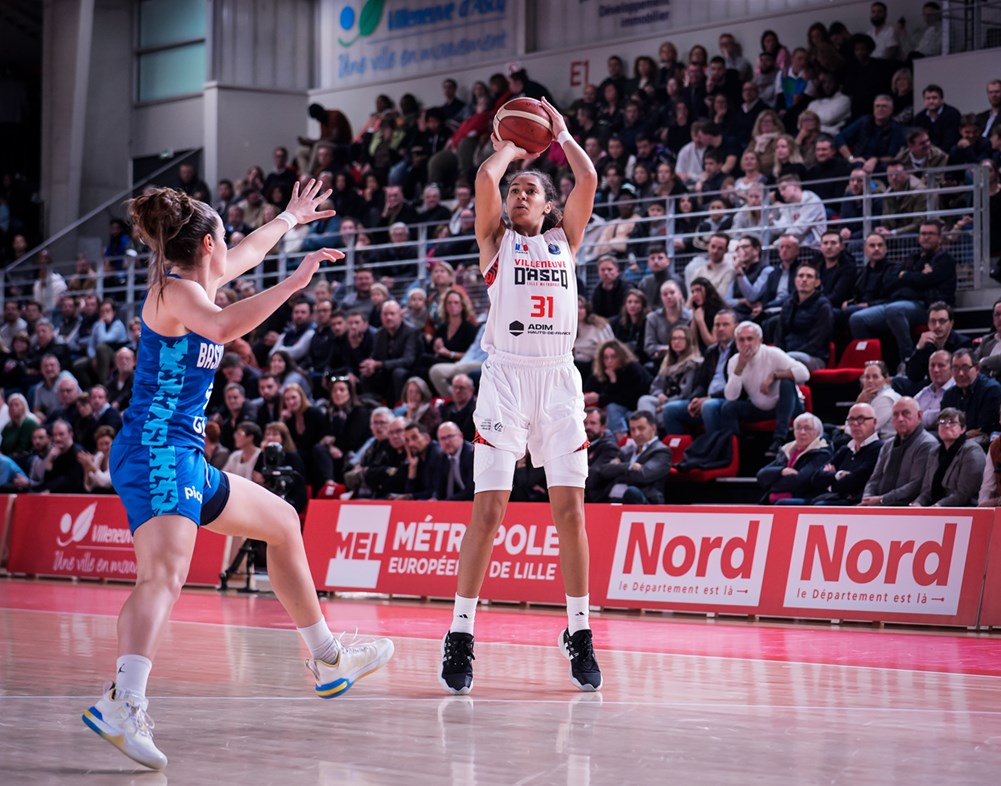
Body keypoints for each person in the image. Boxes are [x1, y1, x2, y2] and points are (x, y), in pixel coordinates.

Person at [82, 181, 393, 771]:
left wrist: (290, 219)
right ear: (206, 245)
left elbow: (249, 249)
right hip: (158, 453)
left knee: (280, 521)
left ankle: (327, 658)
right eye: (223, 241)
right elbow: (223, 328)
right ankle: (125, 701)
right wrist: (295, 282)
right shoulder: (177, 295)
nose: (233, 250)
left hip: (179, 456)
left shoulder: (195, 281)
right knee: (164, 578)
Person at [440, 98, 603, 695]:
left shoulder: (567, 240)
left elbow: (587, 177)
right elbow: (485, 175)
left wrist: (558, 134)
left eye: (530, 188)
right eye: (515, 191)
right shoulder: (495, 245)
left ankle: (579, 631)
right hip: (506, 378)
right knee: (489, 511)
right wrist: (511, 146)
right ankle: (461, 633)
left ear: (549, 204)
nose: (518, 193)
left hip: (559, 380)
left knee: (570, 514)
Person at [860, 397, 939, 506]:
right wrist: (867, 498)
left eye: (906, 413)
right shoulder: (887, 444)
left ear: (919, 415)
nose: (900, 418)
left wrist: (882, 499)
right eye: (895, 414)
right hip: (880, 505)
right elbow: (874, 479)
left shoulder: (927, 444)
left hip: (906, 508)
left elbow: (916, 484)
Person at [809, 403, 884, 505]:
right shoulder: (846, 449)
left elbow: (857, 480)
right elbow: (816, 478)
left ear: (874, 422)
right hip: (833, 497)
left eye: (861, 419)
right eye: (851, 420)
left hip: (855, 502)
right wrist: (838, 475)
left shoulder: (879, 448)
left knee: (819, 506)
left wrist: (830, 485)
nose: (855, 424)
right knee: (786, 503)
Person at [912, 408, 986, 507]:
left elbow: (964, 493)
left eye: (952, 422)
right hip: (934, 509)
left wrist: (937, 506)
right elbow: (926, 490)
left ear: (963, 429)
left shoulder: (972, 451)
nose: (946, 425)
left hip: (963, 510)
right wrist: (917, 503)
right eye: (942, 422)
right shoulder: (934, 452)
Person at [756, 413, 832, 504]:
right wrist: (782, 471)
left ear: (817, 432)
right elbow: (761, 475)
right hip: (775, 499)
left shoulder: (822, 453)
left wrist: (772, 483)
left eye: (807, 428)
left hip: (806, 498)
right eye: (798, 428)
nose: (802, 432)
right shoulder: (788, 450)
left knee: (782, 504)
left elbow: (800, 481)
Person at [854, 360, 901, 439]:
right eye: (867, 377)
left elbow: (864, 430)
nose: (870, 381)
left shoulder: (885, 399)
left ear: (886, 380)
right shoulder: (869, 396)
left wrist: (859, 403)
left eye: (875, 377)